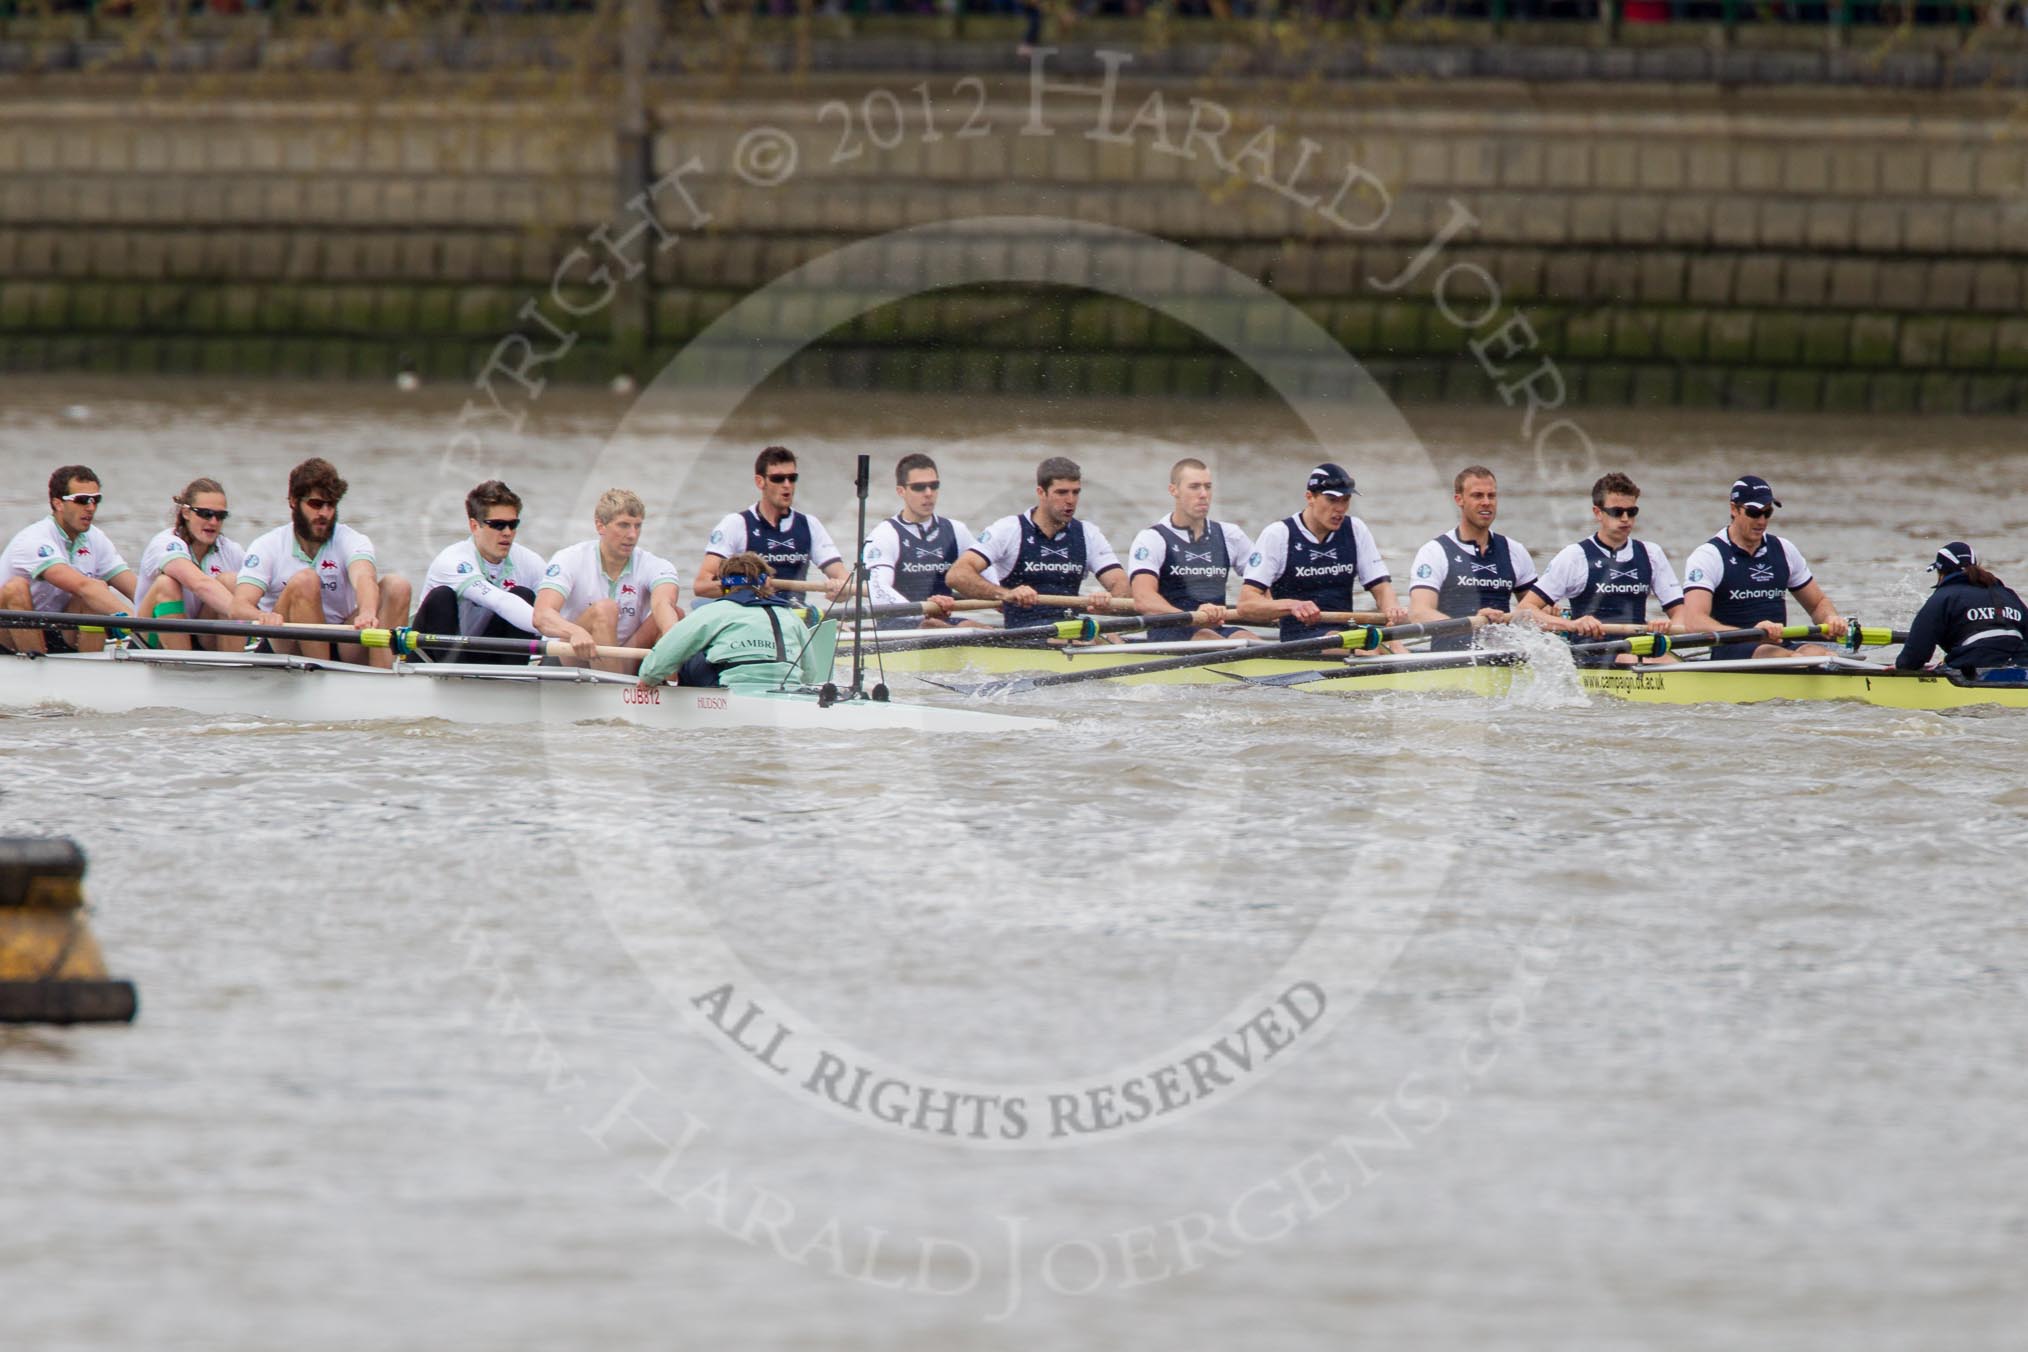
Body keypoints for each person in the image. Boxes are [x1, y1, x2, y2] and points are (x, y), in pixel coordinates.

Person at [234, 457, 413, 669]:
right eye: (316, 504)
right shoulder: (267, 545)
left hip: (341, 640)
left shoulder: (351, 539)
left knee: (397, 586)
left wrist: (367, 611)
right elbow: (238, 606)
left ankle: (385, 682)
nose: (325, 514)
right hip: (286, 643)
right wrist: (263, 616)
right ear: (293, 501)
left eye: (331, 505)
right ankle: (320, 677)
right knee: (306, 580)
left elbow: (364, 578)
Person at [417, 481, 597, 665]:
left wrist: (582, 630)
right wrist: (571, 631)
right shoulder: (453, 560)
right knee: (442, 596)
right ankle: (453, 680)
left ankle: (511, 682)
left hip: (479, 653)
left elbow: (559, 610)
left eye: (513, 524)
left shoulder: (528, 561)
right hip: (431, 656)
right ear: (474, 526)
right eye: (498, 525)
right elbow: (502, 603)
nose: (507, 532)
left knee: (523, 594)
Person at [1517, 471, 1685, 665]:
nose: (1625, 519)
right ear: (1598, 513)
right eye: (1617, 512)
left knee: (1673, 662)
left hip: (1637, 648)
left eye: (1631, 512)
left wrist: (1668, 625)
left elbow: (1681, 614)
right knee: (1668, 665)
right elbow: (1524, 610)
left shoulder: (1651, 554)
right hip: (1591, 653)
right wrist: (1571, 624)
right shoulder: (1574, 556)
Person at [946, 456, 1130, 630]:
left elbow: (1122, 585)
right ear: (1041, 492)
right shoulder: (1009, 530)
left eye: (1075, 492)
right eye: (1061, 492)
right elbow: (958, 575)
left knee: (1113, 637)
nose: (1070, 501)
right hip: (1024, 636)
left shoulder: (1088, 534)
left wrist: (1109, 600)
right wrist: (1006, 594)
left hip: (1071, 633)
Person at [1676, 475, 1847, 659]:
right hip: (1731, 649)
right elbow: (1694, 621)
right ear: (1734, 509)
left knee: (1826, 656)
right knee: (1794, 659)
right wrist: (1751, 632)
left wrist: (1830, 619)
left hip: (1780, 645)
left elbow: (1817, 604)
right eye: (1754, 513)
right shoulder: (1709, 556)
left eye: (1767, 513)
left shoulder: (1784, 550)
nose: (1762, 521)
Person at [1237, 462, 1407, 642]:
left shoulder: (1355, 529)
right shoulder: (1279, 535)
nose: (1340, 509)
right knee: (1363, 648)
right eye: (1332, 500)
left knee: (1394, 646)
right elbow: (1246, 604)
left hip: (1347, 633)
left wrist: (1392, 609)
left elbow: (1381, 589)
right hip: (1300, 640)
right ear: (1310, 497)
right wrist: (1292, 606)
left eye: (1346, 500)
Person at [534, 488, 682, 673]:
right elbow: (541, 616)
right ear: (600, 526)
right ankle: (616, 693)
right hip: (569, 656)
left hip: (623, 657)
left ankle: (662, 686)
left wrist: (673, 637)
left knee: (677, 615)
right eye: (624, 525)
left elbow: (663, 604)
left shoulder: (655, 565)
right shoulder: (569, 558)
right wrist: (574, 631)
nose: (632, 535)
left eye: (637, 526)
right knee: (605, 610)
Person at [637, 552, 832, 692]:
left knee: (692, 649)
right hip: (787, 691)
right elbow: (809, 674)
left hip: (732, 689)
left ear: (724, 585)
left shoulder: (713, 612)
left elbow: (668, 649)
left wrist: (648, 678)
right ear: (766, 583)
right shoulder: (790, 616)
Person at [1406, 465, 1549, 652]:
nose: (1486, 502)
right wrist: (1469, 625)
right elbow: (1419, 612)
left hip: (1503, 658)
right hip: (1451, 661)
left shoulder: (1515, 551)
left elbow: (1537, 608)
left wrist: (1548, 611)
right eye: (1477, 495)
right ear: (1459, 500)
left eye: (1491, 496)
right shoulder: (1435, 551)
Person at [1, 464, 137, 655]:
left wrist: (156, 617)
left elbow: (137, 590)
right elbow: (82, 586)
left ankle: (92, 669)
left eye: (96, 500)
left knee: (96, 594)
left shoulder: (95, 538)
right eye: (82, 500)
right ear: (58, 504)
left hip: (56, 629)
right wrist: (130, 618)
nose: (91, 508)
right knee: (15, 588)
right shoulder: (35, 539)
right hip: (11, 635)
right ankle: (37, 671)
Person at [134, 477, 276, 651]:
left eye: (220, 516)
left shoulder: (230, 550)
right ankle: (180, 665)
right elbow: (199, 584)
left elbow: (263, 593)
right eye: (205, 514)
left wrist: (272, 615)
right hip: (152, 640)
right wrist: (253, 614)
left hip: (202, 638)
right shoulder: (165, 543)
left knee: (231, 582)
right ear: (186, 513)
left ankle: (232, 667)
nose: (213, 522)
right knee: (167, 583)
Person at [695, 446, 849, 604]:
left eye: (792, 478)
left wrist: (841, 590)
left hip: (795, 617)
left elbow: (844, 579)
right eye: (778, 479)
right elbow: (701, 586)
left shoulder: (810, 525)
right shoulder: (736, 525)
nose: (787, 485)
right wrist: (747, 584)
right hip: (751, 616)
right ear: (760, 482)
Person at [1126, 457, 1257, 642]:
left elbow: (1263, 585)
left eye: (1208, 487)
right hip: (1169, 631)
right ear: (1174, 490)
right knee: (1212, 639)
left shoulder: (1230, 535)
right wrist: (1193, 616)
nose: (1203, 494)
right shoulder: (1152, 539)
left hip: (1215, 628)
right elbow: (1143, 599)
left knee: (1249, 640)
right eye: (1194, 487)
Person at [862, 454, 980, 630]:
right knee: (932, 624)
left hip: (941, 623)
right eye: (919, 487)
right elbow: (878, 590)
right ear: (901, 491)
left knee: (974, 626)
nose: (928, 493)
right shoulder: (885, 534)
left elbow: (989, 579)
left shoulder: (957, 531)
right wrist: (924, 610)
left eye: (934, 486)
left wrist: (1005, 595)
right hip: (896, 626)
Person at [1894, 541, 2028, 678]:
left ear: (1941, 572)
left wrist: (1901, 667)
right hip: (2021, 670)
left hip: (1975, 669)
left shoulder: (1942, 597)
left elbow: (1914, 656)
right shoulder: (2008, 595)